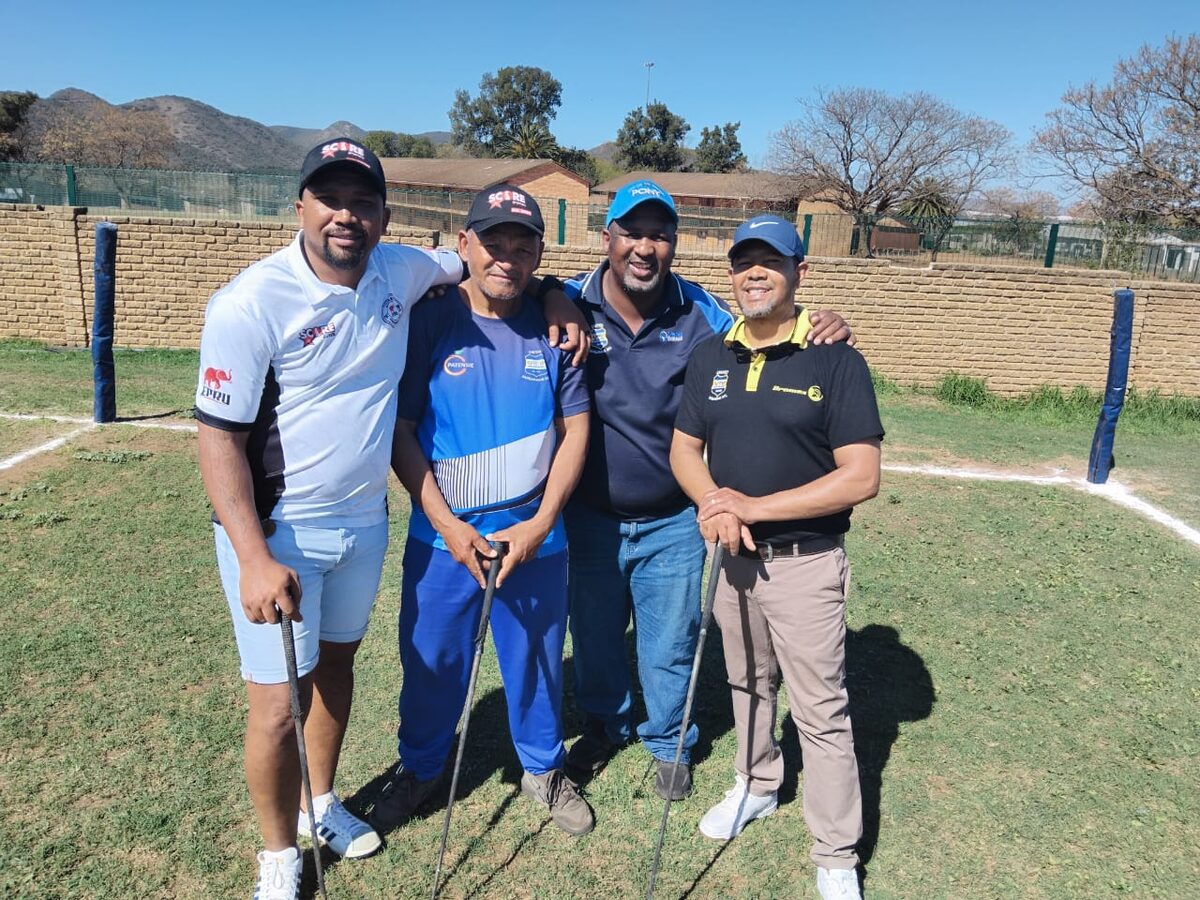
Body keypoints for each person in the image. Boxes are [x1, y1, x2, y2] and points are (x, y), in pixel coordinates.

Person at [195, 142, 583, 900]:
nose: (347, 215)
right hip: (281, 532)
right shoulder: (250, 301)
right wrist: (250, 553)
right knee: (278, 703)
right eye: (330, 199)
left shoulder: (402, 272)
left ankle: (323, 802)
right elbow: (218, 438)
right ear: (299, 206)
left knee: (336, 670)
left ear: (385, 215)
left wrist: (560, 290)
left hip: (362, 522)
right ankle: (279, 855)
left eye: (363, 202)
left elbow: (496, 264)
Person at [558, 180, 853, 802]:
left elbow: (769, 323)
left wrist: (826, 321)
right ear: (606, 236)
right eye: (632, 232)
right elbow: (502, 286)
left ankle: (669, 742)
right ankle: (606, 726)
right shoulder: (568, 301)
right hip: (588, 515)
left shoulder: (701, 312)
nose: (645, 247)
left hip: (672, 516)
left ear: (674, 244)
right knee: (596, 635)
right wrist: (551, 305)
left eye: (660, 235)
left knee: (670, 639)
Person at [669, 214, 883, 900]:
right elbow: (684, 449)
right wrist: (715, 505)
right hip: (733, 561)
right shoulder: (711, 355)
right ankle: (758, 782)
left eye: (771, 261)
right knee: (746, 685)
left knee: (820, 711)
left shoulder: (835, 358)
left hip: (806, 563)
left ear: (800, 274)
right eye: (743, 262)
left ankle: (835, 851)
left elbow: (861, 475)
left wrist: (752, 508)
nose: (754, 273)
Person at [371, 185, 594, 836]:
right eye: (492, 243)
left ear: (539, 255)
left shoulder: (559, 327)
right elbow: (402, 430)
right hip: (445, 540)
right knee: (433, 661)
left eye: (523, 246)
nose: (507, 258)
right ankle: (420, 768)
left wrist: (542, 523)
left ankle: (544, 768)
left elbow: (575, 430)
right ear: (464, 245)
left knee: (537, 660)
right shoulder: (431, 317)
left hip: (535, 541)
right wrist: (447, 524)